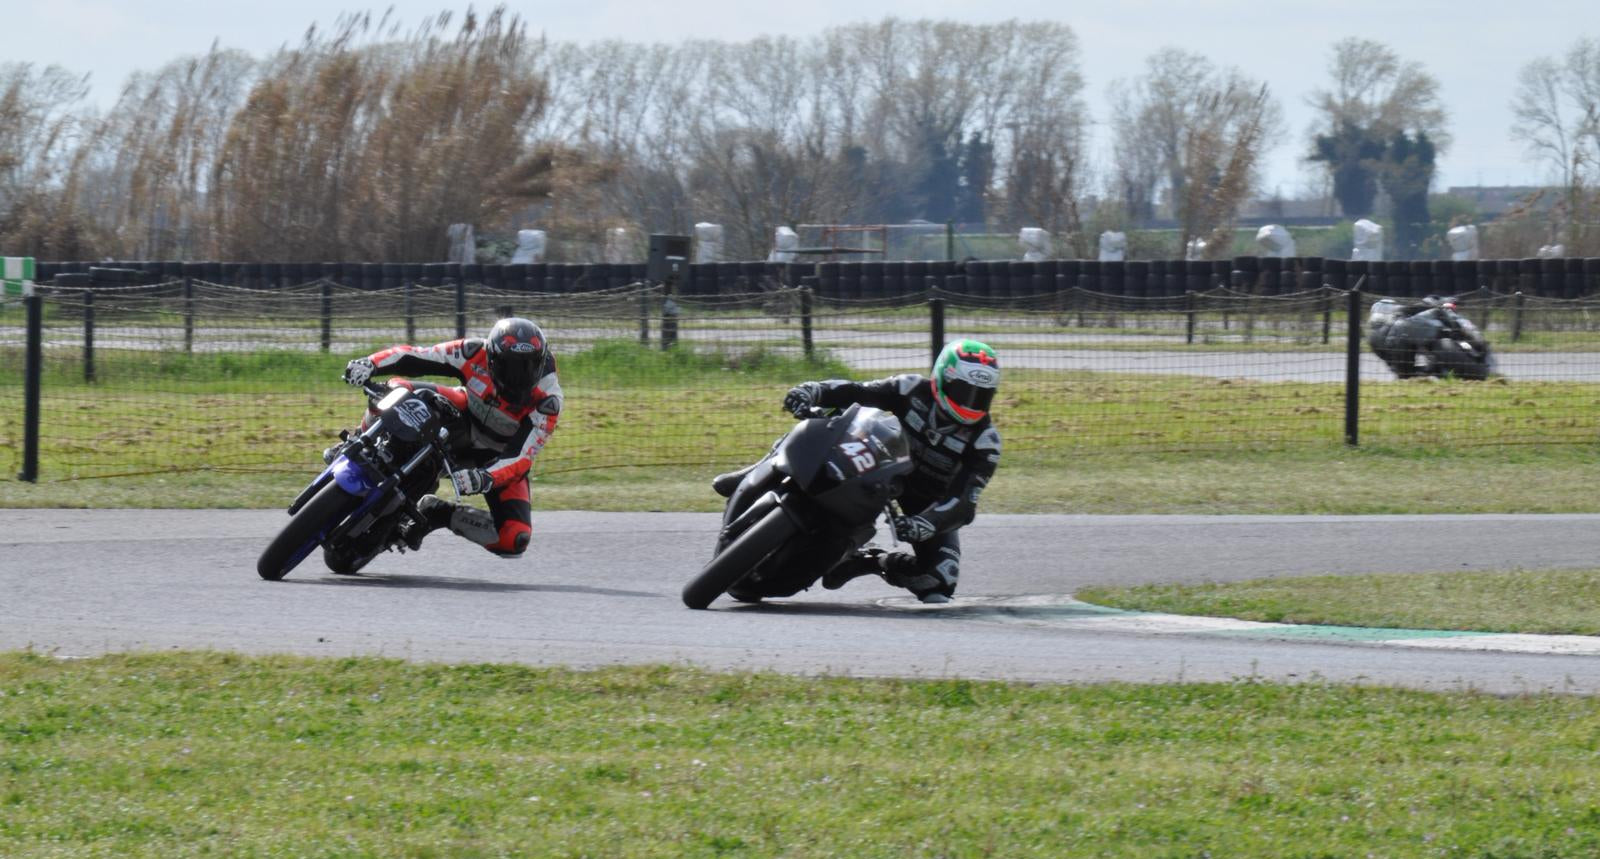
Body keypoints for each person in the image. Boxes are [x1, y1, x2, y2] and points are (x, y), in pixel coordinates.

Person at [753, 339, 1001, 603]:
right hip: (879, 464)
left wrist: (926, 524)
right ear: (941, 379)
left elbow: (964, 501)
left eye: (981, 396)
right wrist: (812, 391)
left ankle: (870, 561)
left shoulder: (985, 442)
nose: (971, 403)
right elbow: (857, 391)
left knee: (940, 579)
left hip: (926, 499)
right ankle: (760, 469)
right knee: (825, 418)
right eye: (964, 391)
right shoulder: (910, 389)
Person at [335, 316, 561, 557]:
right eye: (510, 367)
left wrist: (486, 477)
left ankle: (438, 513)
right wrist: (370, 363)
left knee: (514, 538)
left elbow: (522, 456)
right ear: (492, 358)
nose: (519, 377)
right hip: (461, 416)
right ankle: (359, 441)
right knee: (397, 389)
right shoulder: (473, 352)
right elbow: (417, 355)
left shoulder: (548, 399)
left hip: (497, 456)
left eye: (528, 367)